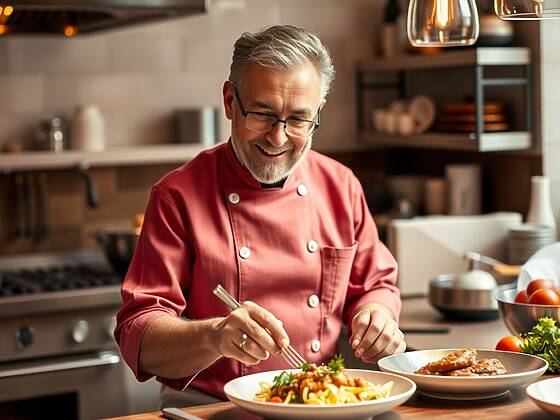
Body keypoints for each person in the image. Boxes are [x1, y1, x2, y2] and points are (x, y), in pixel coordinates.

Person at [115, 24, 405, 408]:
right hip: (211, 408)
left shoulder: (341, 185)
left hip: (317, 403)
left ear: (318, 112)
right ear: (230, 102)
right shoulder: (176, 197)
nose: (278, 138)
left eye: (299, 120)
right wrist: (214, 336)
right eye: (263, 115)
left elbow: (375, 284)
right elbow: (139, 333)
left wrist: (377, 315)